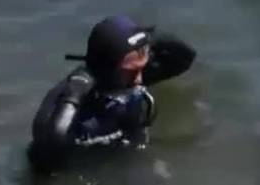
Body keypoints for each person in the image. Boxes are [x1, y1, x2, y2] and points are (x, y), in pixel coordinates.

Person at [28, 15, 196, 173]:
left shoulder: (130, 71)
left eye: (141, 68)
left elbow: (185, 58)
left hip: (127, 153)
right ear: (105, 69)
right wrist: (72, 99)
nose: (139, 80)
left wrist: (146, 38)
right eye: (131, 72)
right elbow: (46, 160)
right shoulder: (62, 106)